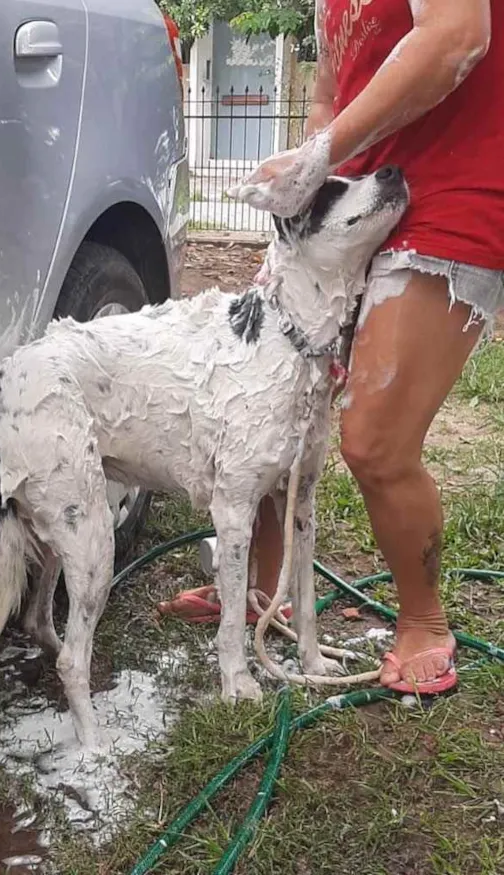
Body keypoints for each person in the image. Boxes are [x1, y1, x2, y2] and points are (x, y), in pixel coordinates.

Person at [158, 0, 503, 694]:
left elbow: (459, 34)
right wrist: (308, 173)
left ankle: (424, 621)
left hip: (455, 184)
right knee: (267, 393)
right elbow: (328, 92)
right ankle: (262, 589)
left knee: (375, 439)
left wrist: (324, 149)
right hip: (355, 194)